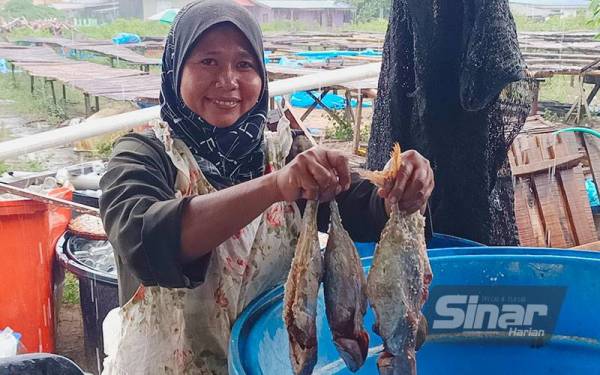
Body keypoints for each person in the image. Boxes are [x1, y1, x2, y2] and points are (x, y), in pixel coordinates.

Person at [99, 1, 434, 373]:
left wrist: (400, 191)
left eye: (244, 64)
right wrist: (274, 185)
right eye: (208, 61)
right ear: (175, 70)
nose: (228, 80)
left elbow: (356, 203)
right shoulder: (142, 155)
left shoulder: (282, 147)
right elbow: (146, 241)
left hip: (264, 361)